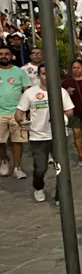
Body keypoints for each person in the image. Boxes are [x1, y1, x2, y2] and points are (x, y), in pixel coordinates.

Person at [14, 64, 74, 202]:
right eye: (43, 73)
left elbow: (70, 110)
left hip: (58, 136)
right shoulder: (30, 93)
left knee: (61, 168)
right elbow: (19, 112)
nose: (46, 76)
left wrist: (62, 117)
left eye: (49, 73)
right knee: (40, 168)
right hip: (38, 137)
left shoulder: (61, 91)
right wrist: (21, 121)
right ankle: (38, 187)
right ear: (39, 76)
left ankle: (60, 196)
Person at [0, 45, 29, 178]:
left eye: (6, 54)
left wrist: (26, 110)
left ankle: (17, 167)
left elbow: (27, 91)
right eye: (1, 54)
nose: (3, 56)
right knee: (1, 142)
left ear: (11, 56)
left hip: (17, 112)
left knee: (17, 141)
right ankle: (4, 160)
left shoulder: (20, 72)